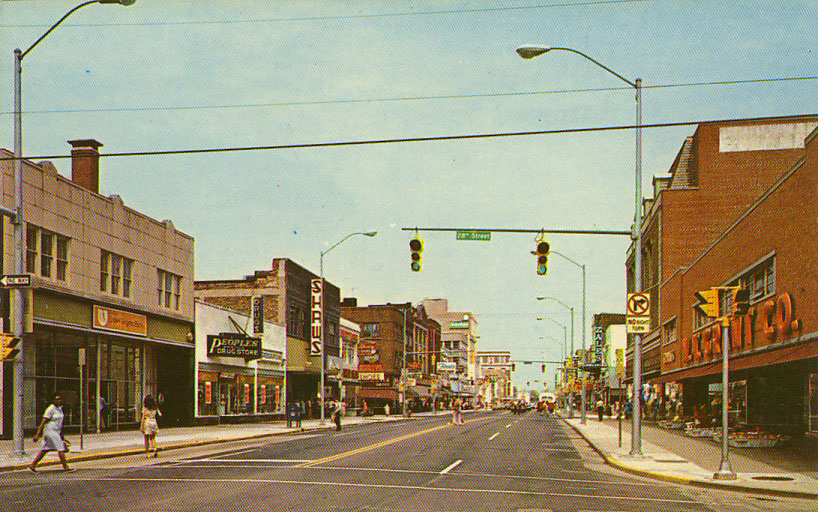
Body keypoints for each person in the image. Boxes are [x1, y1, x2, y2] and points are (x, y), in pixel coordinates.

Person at [30, 394, 73, 472]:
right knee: (61, 448)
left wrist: (61, 435)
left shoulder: (60, 409)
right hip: (50, 431)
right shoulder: (50, 409)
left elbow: (60, 423)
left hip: (57, 431)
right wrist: (37, 434)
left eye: (60, 399)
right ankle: (66, 467)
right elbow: (43, 422)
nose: (58, 400)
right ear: (53, 400)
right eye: (56, 399)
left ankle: (32, 465)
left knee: (45, 449)